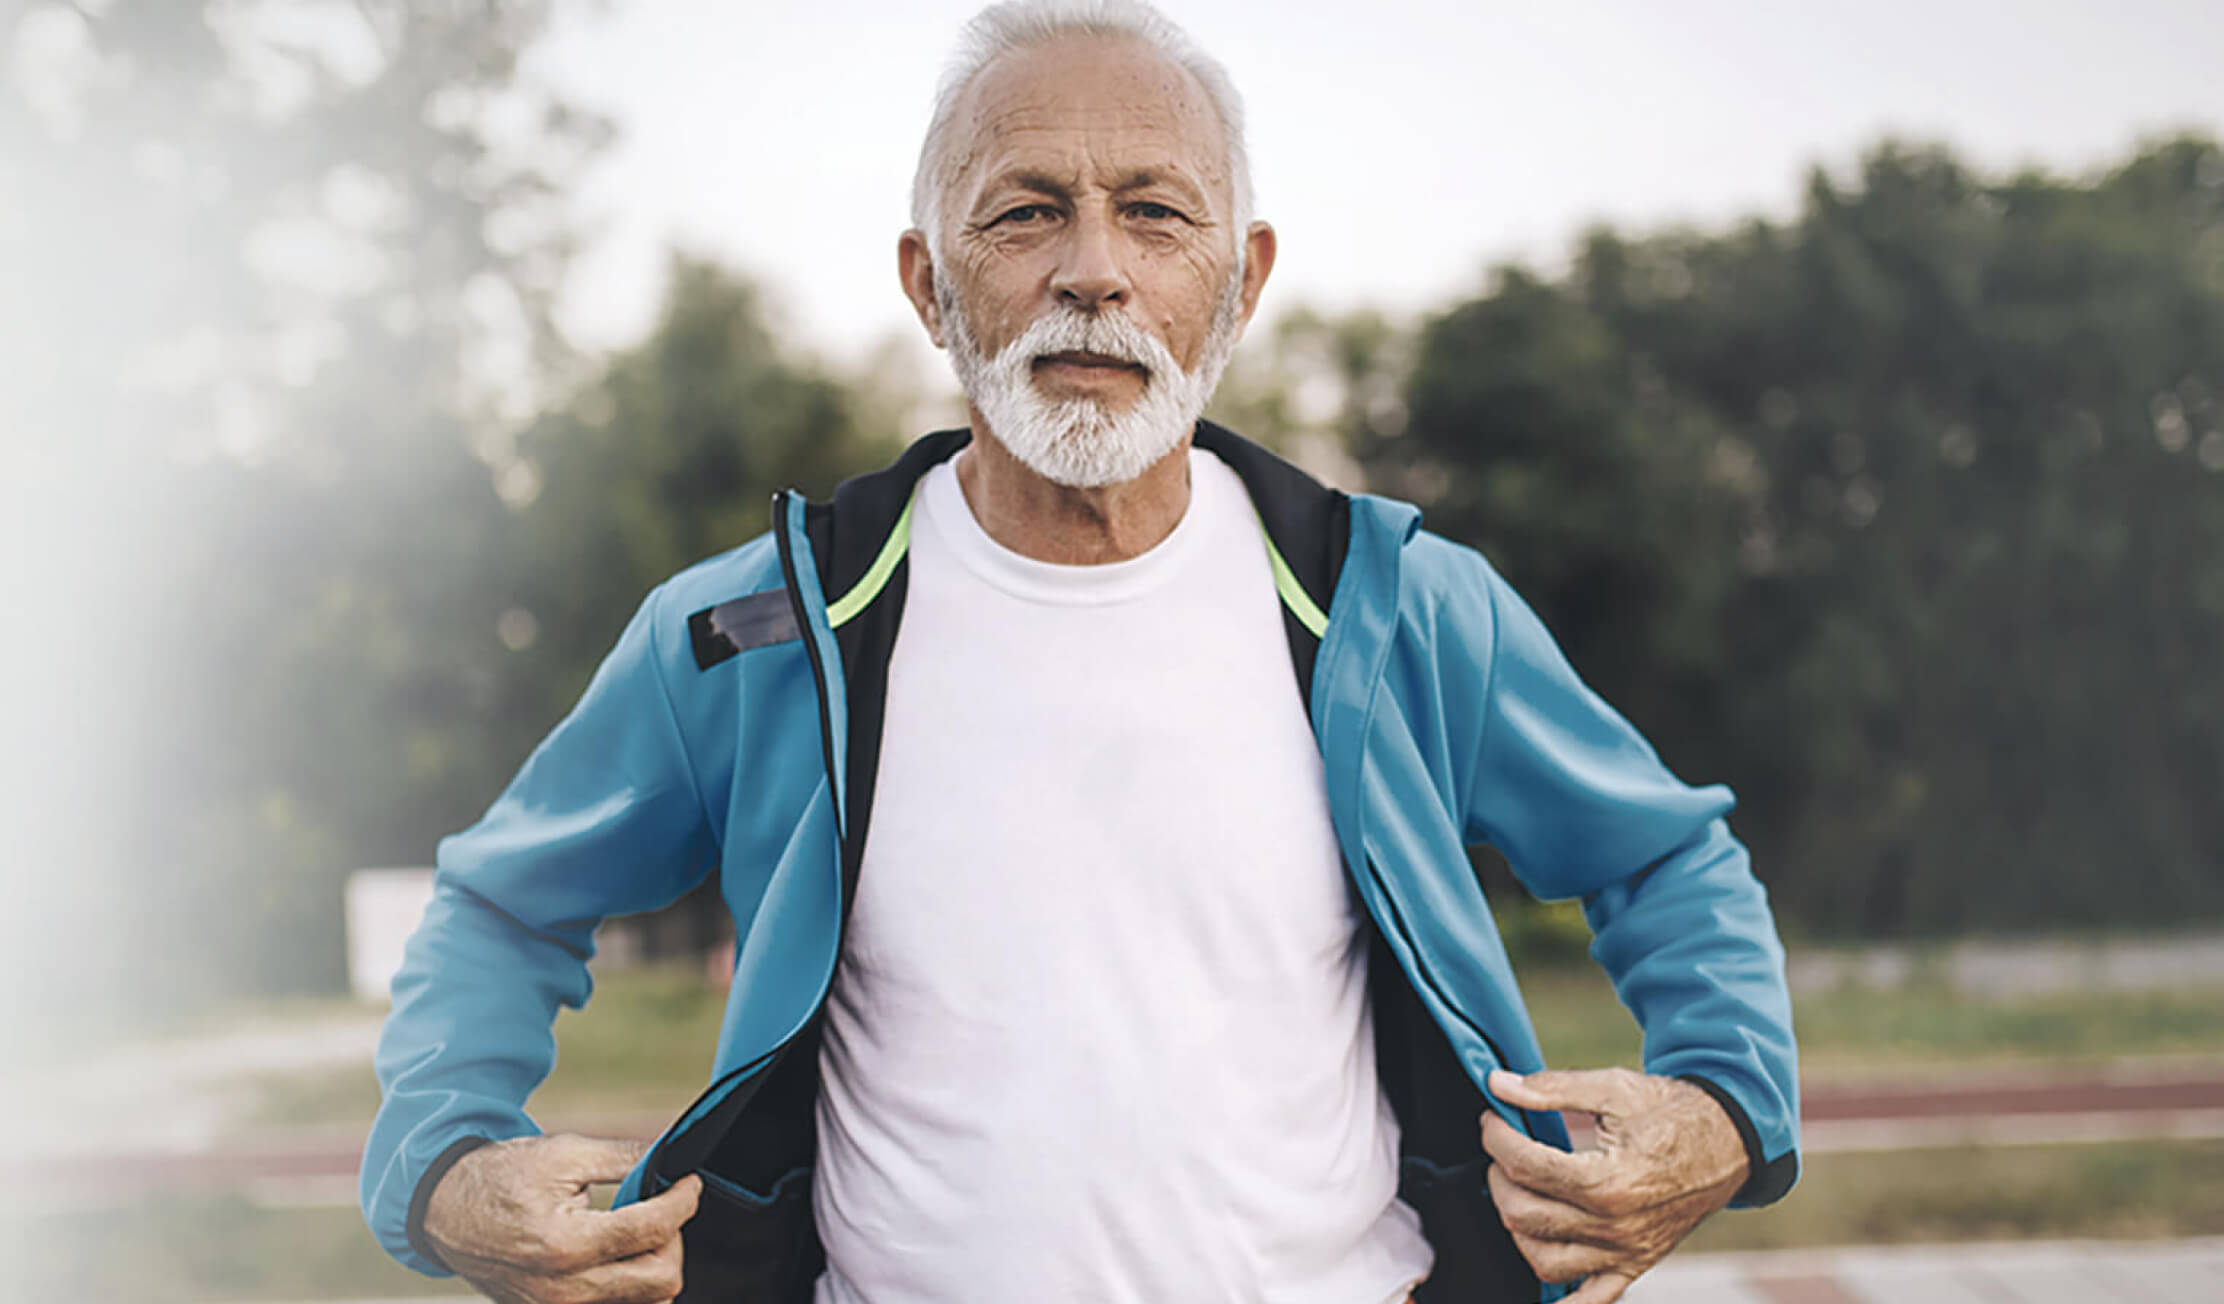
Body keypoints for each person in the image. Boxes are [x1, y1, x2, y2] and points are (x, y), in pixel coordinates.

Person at [359, 3, 1800, 1301]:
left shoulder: (1406, 606)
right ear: (931, 285)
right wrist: (445, 1165)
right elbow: (498, 906)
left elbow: (1665, 858)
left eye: (1157, 214)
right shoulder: (761, 632)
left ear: (1241, 279)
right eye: (1027, 213)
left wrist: (1726, 1107)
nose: (1094, 272)